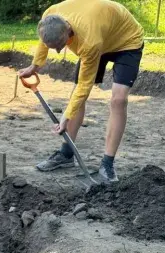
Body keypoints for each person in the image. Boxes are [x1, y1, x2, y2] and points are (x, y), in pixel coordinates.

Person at [19, 0, 144, 183]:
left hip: (126, 41)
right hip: (101, 30)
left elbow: (85, 85)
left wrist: (65, 117)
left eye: (64, 45)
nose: (60, 50)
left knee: (118, 100)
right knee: (75, 96)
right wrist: (35, 66)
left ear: (69, 29)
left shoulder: (89, 41)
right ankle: (67, 153)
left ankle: (107, 164)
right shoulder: (51, 16)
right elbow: (44, 42)